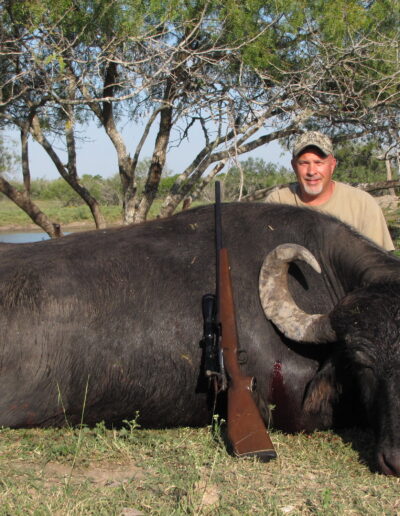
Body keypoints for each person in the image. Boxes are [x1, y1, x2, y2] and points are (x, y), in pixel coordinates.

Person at [265, 131, 395, 251]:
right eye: (304, 163)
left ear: (332, 165)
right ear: (294, 166)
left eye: (319, 162)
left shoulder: (363, 205)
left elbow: (380, 265)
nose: (311, 171)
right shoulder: (277, 203)